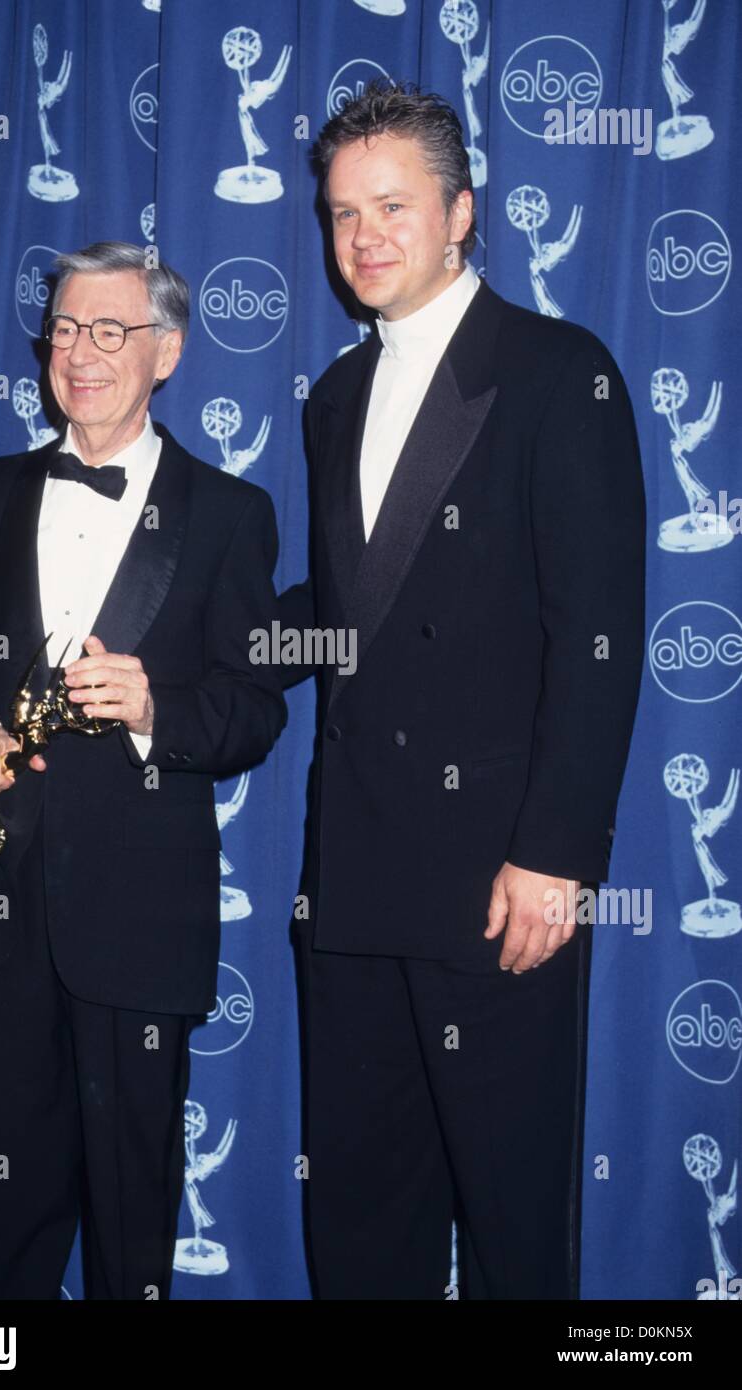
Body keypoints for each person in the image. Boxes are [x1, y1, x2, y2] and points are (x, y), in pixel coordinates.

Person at [280, 83, 646, 1300]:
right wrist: (172, 652)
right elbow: (347, 618)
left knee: (509, 1223)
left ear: (461, 214)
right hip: (356, 877)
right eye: (343, 214)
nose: (364, 236)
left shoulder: (555, 371)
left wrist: (555, 854)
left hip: (499, 881)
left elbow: (597, 634)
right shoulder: (331, 398)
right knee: (362, 1221)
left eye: (391, 206)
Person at [0, 241, 286, 1300]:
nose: (81, 353)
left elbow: (254, 709)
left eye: (112, 330)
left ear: (165, 352)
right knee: (7, 1215)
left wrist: (158, 709)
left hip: (139, 918)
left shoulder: (230, 515)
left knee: (132, 1219)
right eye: (66, 328)